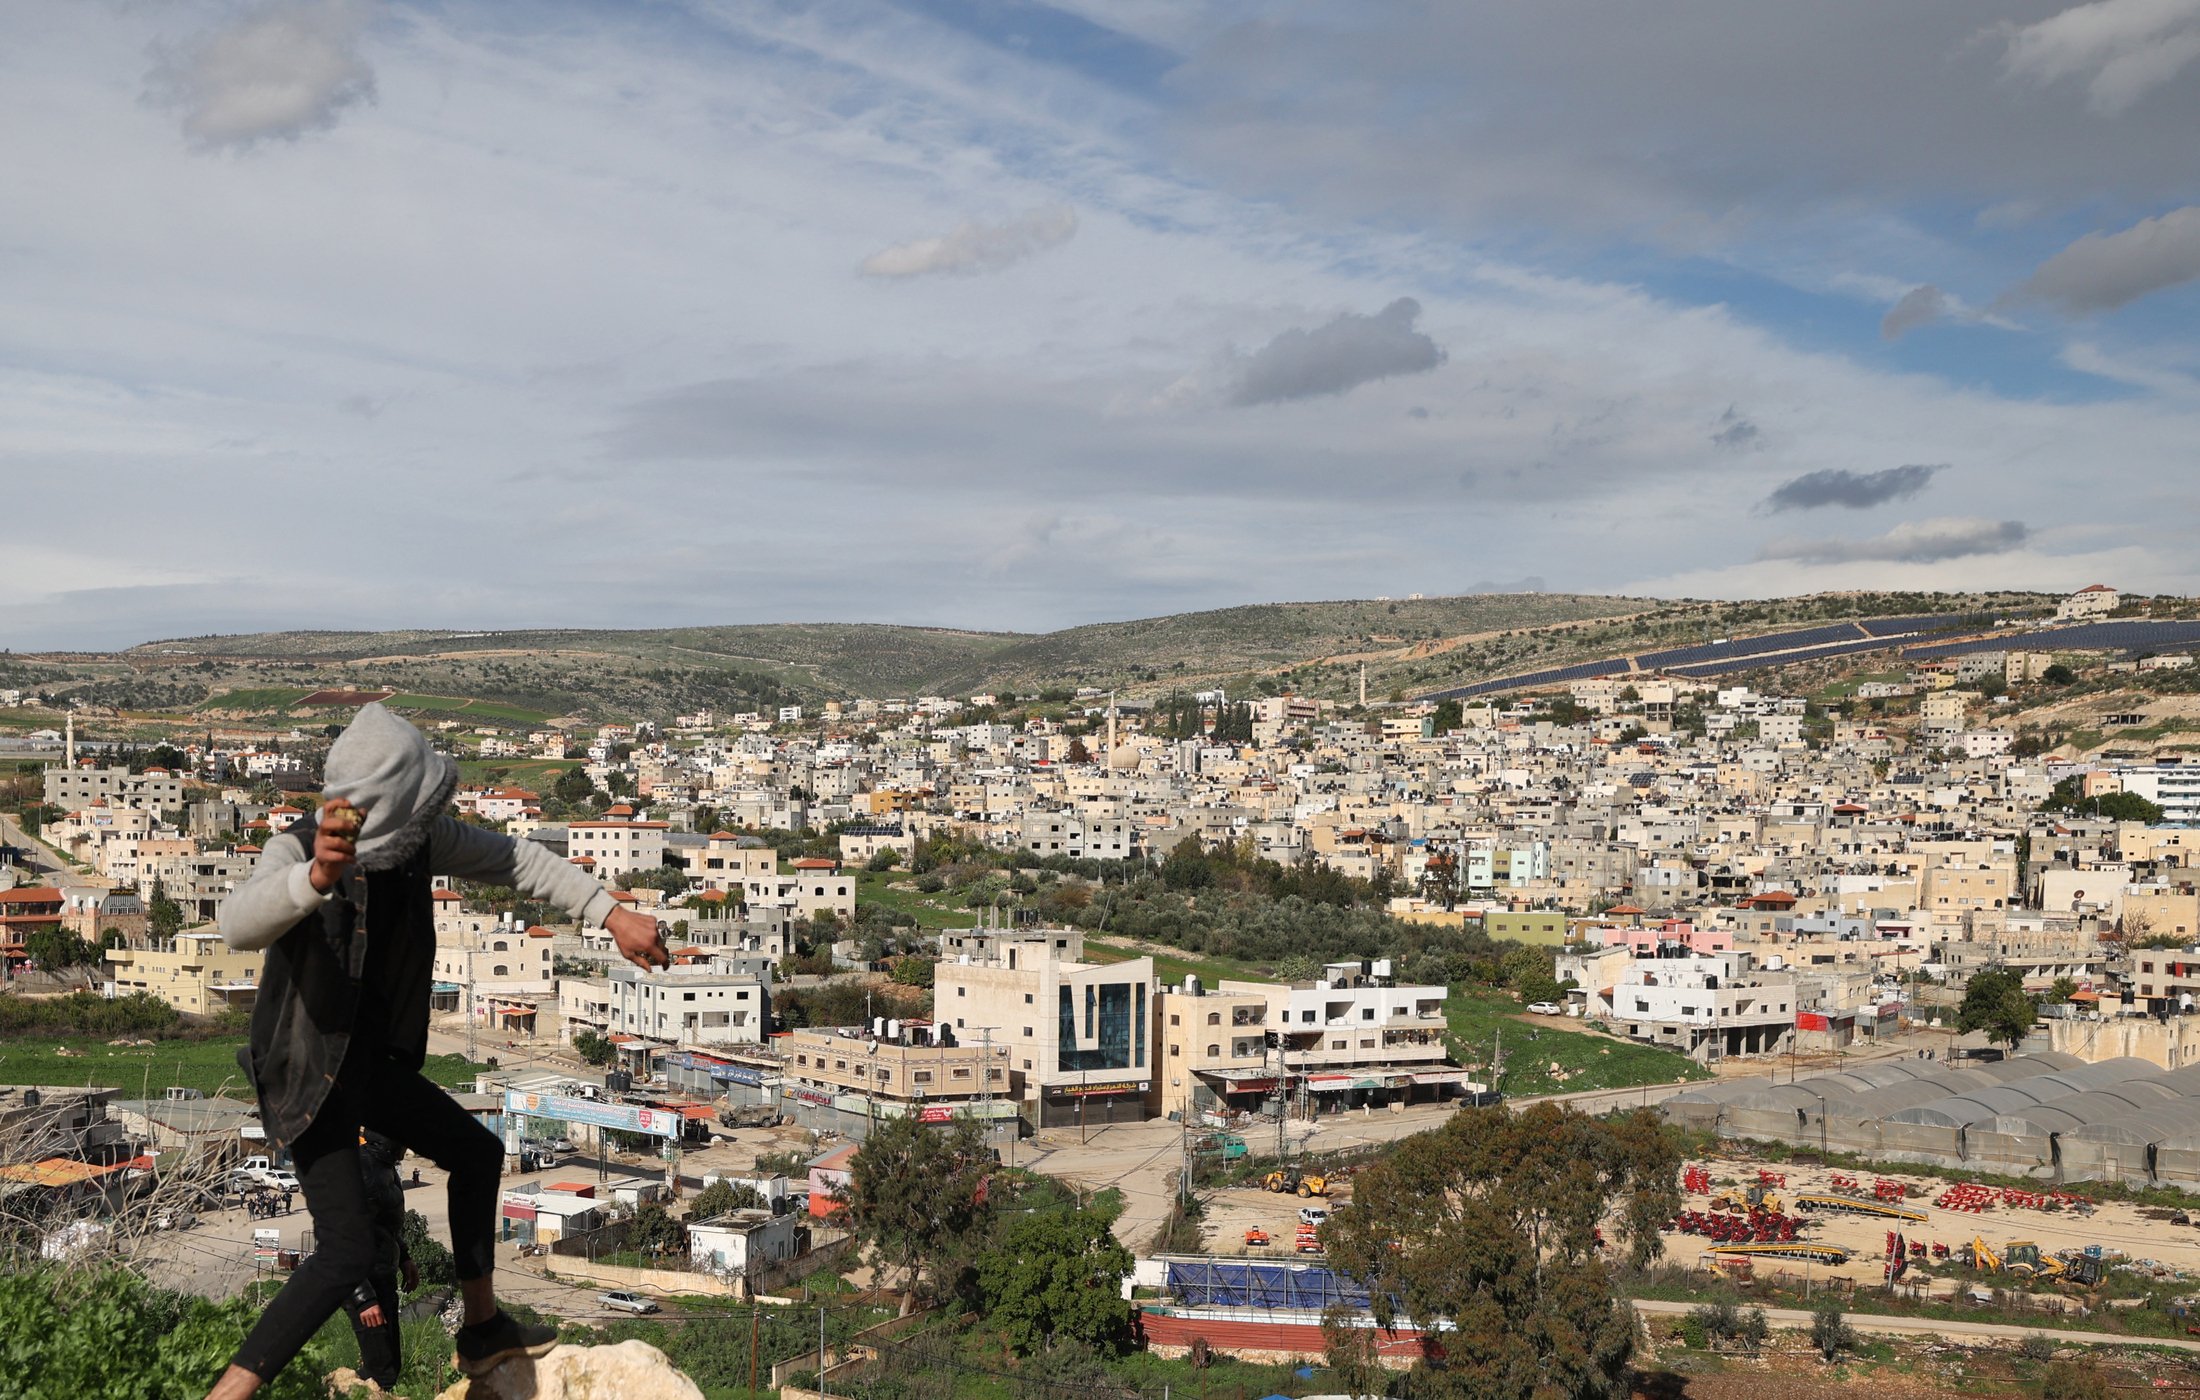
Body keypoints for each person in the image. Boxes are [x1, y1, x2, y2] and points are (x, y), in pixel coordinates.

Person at [206, 704, 669, 1399]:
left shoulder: (417, 843)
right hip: (308, 1074)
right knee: (346, 1250)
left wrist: (611, 912)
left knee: (478, 1154)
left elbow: (520, 861)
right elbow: (236, 924)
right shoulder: (301, 850)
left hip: (370, 1066)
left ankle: (482, 1330)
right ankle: (228, 1393)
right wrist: (315, 880)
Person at [346, 1130, 417, 1391]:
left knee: (390, 1367)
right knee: (381, 1371)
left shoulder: (385, 1167)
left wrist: (405, 1258)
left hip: (383, 1275)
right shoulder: (361, 1169)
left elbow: (384, 1225)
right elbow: (341, 1241)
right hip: (360, 1282)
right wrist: (363, 1298)